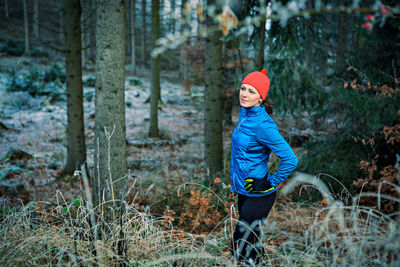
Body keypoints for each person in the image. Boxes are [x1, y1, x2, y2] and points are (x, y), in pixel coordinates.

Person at [230, 69, 298, 264]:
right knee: (251, 244)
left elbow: (290, 159)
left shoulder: (262, 124)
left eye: (252, 91)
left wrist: (270, 182)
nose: (244, 94)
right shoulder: (246, 115)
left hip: (260, 193)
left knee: (241, 244)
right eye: (243, 88)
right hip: (245, 190)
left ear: (261, 97)